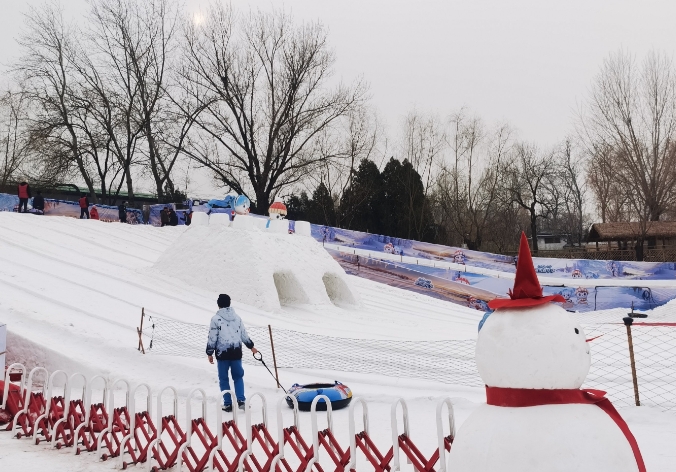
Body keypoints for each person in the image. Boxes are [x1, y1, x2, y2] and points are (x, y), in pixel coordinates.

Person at [206, 294, 258, 412]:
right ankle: (241, 400)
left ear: (219, 304)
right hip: (236, 352)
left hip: (222, 353)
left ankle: (228, 404)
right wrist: (251, 347)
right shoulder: (237, 318)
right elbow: (243, 334)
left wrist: (209, 352)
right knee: (238, 377)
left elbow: (212, 337)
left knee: (223, 378)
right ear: (229, 304)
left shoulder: (215, 319)